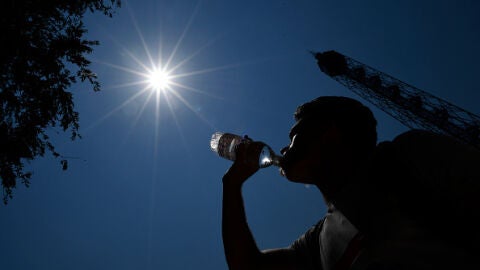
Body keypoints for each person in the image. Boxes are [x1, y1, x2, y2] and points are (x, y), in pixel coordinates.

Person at [221, 96, 480, 270]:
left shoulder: (407, 157)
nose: (283, 148)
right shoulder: (318, 239)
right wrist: (232, 186)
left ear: (330, 132)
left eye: (294, 137)